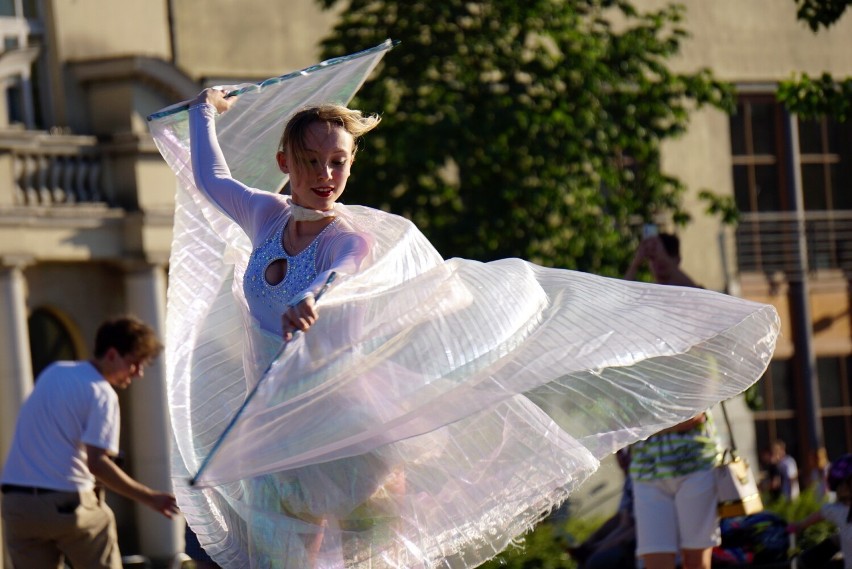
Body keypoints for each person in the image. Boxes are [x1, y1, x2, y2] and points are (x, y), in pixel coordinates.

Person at [150, 77, 780, 568]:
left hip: (350, 436)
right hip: (276, 433)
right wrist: (204, 110)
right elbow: (210, 177)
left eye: (338, 162)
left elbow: (339, 278)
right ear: (285, 162)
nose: (326, 176)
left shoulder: (352, 241)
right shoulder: (263, 216)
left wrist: (312, 299)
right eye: (312, 162)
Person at [0, 316, 178, 569]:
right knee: (101, 521)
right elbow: (98, 464)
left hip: (17, 506)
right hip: (65, 504)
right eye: (134, 364)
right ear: (113, 354)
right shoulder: (102, 393)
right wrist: (150, 498)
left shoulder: (54, 372)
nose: (138, 373)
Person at [625, 232, 722, 569]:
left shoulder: (693, 317)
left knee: (697, 561)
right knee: (655, 561)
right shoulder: (645, 313)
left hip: (693, 460)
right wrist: (637, 263)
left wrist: (664, 264)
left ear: (677, 259)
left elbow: (705, 301)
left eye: (664, 258)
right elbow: (616, 309)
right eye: (653, 260)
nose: (657, 266)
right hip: (649, 463)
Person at [567, 448, 636, 569]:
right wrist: (590, 544)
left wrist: (599, 547)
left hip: (636, 540)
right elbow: (621, 519)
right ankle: (585, 550)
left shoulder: (640, 481)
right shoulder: (630, 482)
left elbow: (631, 527)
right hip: (628, 534)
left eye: (625, 454)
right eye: (619, 454)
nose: (622, 459)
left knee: (594, 562)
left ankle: (587, 551)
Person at [788, 453, 852, 569]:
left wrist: (799, 526)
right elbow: (821, 514)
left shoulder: (840, 511)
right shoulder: (840, 511)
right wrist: (799, 526)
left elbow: (821, 514)